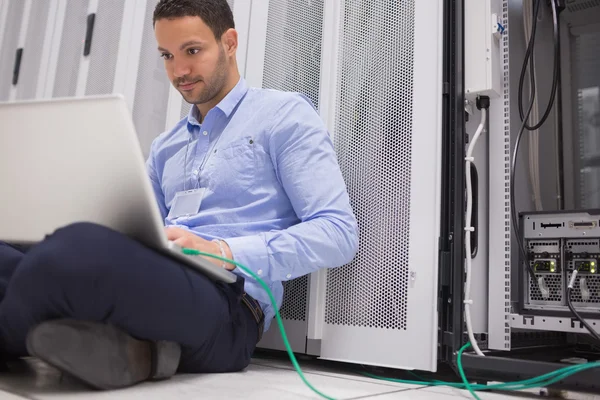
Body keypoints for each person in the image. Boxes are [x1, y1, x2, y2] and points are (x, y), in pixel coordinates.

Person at [0, 0, 358, 390]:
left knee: (72, 253)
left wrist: (220, 250)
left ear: (230, 42)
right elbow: (136, 240)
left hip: (229, 308)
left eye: (192, 51)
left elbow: (338, 234)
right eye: (167, 56)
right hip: (165, 281)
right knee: (17, 249)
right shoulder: (165, 147)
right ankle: (93, 334)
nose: (179, 71)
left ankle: (45, 325)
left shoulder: (283, 116)